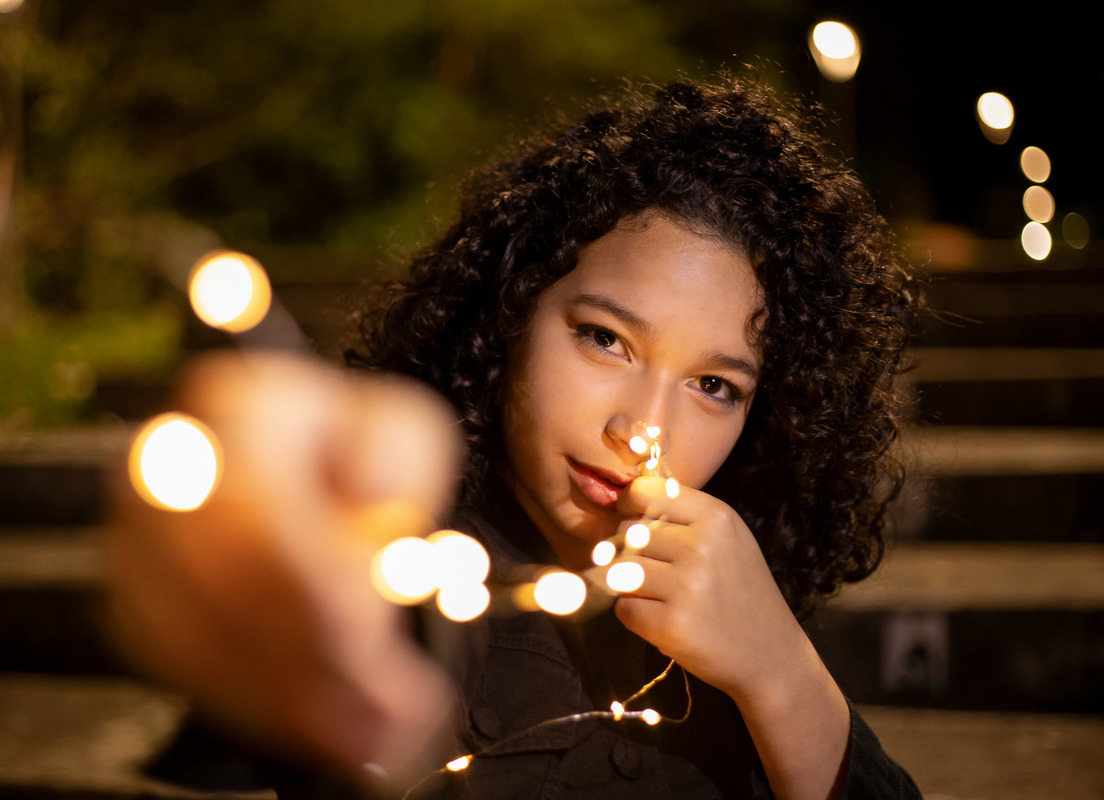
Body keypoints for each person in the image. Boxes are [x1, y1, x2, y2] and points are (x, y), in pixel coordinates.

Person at [106, 75, 921, 799]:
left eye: (713, 386)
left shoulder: (740, 590)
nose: (643, 428)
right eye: (606, 338)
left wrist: (783, 676)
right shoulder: (408, 564)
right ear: (514, 305)